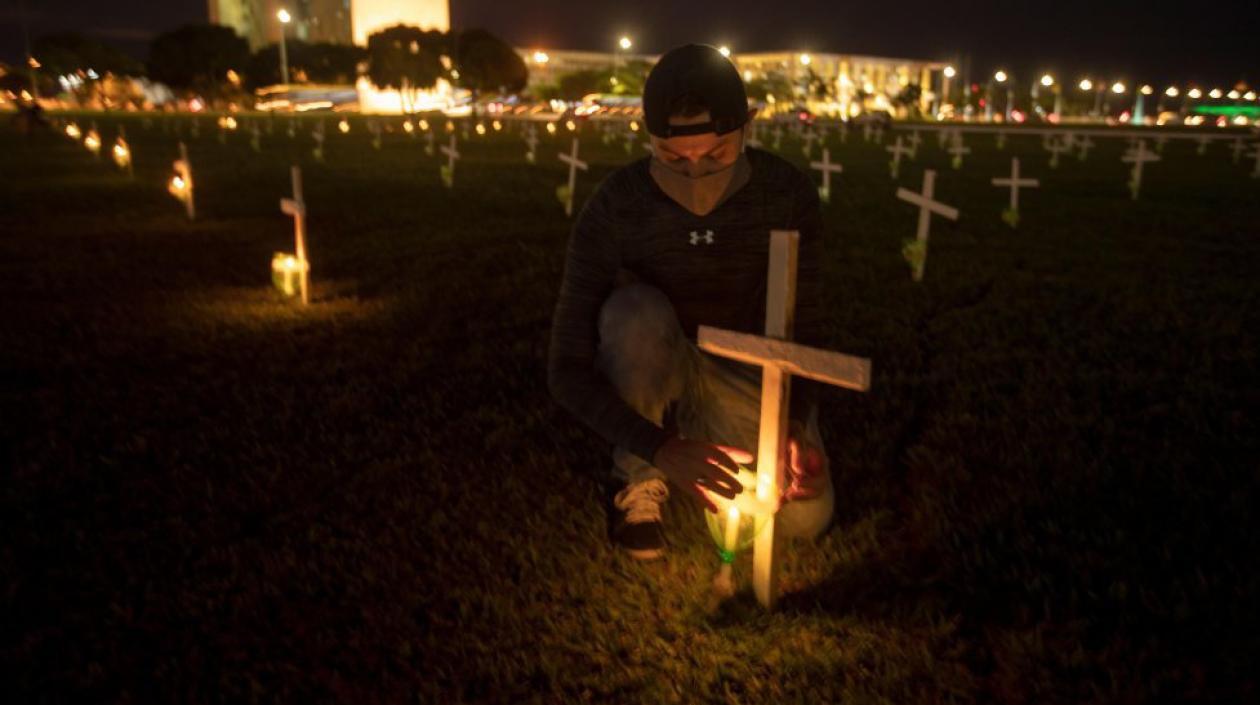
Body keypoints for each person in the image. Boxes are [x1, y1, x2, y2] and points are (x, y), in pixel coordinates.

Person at [547, 44, 834, 560]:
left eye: (716, 155)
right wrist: (657, 447)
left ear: (746, 129)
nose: (696, 173)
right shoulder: (617, 205)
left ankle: (712, 431)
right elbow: (565, 366)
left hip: (742, 365)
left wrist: (793, 420)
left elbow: (806, 323)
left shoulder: (785, 194)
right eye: (674, 158)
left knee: (802, 517)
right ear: (649, 138)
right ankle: (639, 475)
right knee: (634, 313)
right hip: (658, 352)